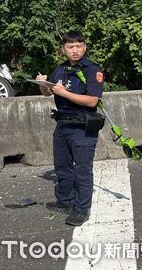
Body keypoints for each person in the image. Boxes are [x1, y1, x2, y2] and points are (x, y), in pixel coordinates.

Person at [36, 31, 104, 227]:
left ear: (84, 47)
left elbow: (92, 100)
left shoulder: (92, 70)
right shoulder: (61, 69)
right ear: (63, 49)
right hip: (63, 124)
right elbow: (47, 94)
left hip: (82, 127)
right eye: (70, 46)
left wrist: (65, 93)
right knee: (62, 167)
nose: (75, 50)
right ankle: (65, 201)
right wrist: (43, 84)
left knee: (82, 170)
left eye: (79, 46)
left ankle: (82, 210)